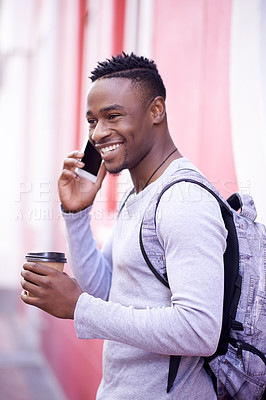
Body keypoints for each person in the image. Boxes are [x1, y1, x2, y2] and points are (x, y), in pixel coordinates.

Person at [21, 53, 227, 399]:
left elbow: (199, 329)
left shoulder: (184, 202)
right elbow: (106, 292)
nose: (99, 133)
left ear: (156, 110)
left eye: (112, 116)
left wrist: (80, 308)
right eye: (92, 121)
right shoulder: (139, 194)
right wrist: (75, 215)